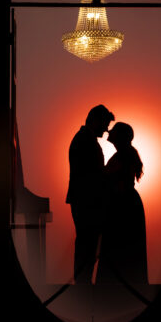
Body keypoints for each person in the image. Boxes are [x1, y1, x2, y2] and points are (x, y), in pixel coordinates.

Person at [67, 104, 114, 284]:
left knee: (87, 244)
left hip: (85, 200)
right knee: (86, 244)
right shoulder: (84, 140)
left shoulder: (84, 139)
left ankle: (83, 282)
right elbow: (91, 175)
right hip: (87, 201)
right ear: (95, 120)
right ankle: (82, 284)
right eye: (104, 124)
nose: (106, 129)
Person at [101, 122, 148, 287]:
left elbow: (113, 183)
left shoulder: (122, 156)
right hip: (129, 204)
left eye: (113, 130)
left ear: (119, 136)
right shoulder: (127, 154)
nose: (109, 131)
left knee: (120, 246)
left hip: (123, 207)